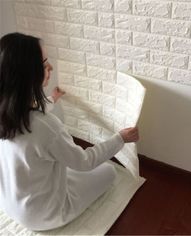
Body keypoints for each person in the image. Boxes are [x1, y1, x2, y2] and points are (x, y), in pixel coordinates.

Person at [0, 32, 139, 231]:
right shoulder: (46, 126)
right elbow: (84, 162)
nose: (50, 67)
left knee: (63, 166)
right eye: (44, 62)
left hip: (9, 203)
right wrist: (120, 139)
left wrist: (52, 99)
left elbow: (31, 117)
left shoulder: (8, 111)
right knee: (109, 171)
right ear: (27, 73)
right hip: (45, 215)